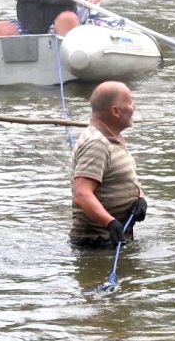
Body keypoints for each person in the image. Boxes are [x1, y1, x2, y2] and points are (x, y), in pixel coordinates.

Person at [70, 81, 147, 248]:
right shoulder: (96, 143)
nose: (134, 108)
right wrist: (110, 222)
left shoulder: (112, 139)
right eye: (130, 103)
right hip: (96, 242)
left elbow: (121, 178)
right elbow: (82, 194)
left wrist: (140, 197)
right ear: (115, 111)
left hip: (114, 238)